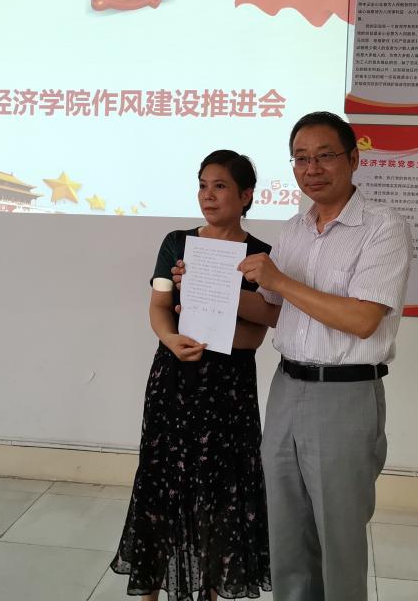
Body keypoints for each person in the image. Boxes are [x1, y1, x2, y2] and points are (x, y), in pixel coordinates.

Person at [233, 111, 411, 601]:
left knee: (338, 538)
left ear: (353, 159)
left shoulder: (383, 228)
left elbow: (363, 319)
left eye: (324, 156)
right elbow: (275, 312)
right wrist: (209, 289)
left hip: (345, 395)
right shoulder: (294, 229)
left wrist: (281, 280)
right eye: (300, 159)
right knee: (287, 533)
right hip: (286, 389)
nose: (311, 168)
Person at [111, 150, 273, 601]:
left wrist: (214, 317)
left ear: (245, 196)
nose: (208, 195)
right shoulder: (177, 243)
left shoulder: (260, 256)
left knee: (220, 495)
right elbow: (160, 306)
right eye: (203, 185)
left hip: (229, 389)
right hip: (175, 378)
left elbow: (256, 334)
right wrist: (171, 337)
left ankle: (210, 592)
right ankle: (149, 592)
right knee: (161, 487)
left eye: (220, 186)